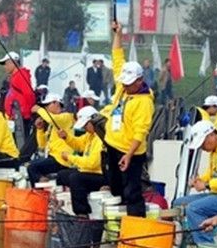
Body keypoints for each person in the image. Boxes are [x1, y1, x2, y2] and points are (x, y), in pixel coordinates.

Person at [102, 21, 154, 217]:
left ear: (140, 80)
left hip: (130, 150)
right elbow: (117, 57)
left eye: (130, 83)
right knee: (115, 187)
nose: (125, 86)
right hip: (113, 145)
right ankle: (118, 219)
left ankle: (135, 224)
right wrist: (118, 34)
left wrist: (129, 154)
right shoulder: (123, 86)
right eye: (124, 82)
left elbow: (141, 131)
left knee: (132, 191)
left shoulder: (144, 102)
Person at [56, 106, 107, 217]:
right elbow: (79, 144)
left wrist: (70, 157)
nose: (84, 128)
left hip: (101, 175)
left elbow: (92, 163)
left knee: (76, 178)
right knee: (62, 175)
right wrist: (66, 137)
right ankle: (63, 204)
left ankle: (82, 212)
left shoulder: (101, 138)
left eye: (85, 125)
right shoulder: (91, 135)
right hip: (89, 172)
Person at [26, 93, 74, 185]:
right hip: (53, 157)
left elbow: (52, 119)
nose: (46, 108)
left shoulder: (66, 117)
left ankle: (42, 188)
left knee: (32, 167)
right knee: (29, 165)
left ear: (56, 103)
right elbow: (42, 145)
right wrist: (40, 130)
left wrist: (39, 109)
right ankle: (42, 185)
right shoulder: (51, 126)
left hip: (61, 159)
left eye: (47, 105)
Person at [0, 51, 34, 138]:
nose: (5, 67)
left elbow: (29, 94)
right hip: (16, 115)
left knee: (20, 143)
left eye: (6, 64)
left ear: (13, 62)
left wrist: (27, 112)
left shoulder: (21, 75)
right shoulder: (15, 76)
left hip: (21, 116)